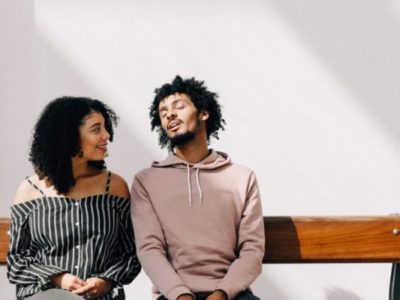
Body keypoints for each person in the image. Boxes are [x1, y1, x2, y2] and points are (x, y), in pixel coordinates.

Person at [131, 76, 265, 300]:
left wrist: (222, 293)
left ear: (204, 113)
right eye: (163, 112)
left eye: (179, 107)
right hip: (174, 296)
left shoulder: (242, 177)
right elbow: (150, 250)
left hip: (230, 294)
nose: (170, 114)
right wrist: (180, 295)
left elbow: (252, 250)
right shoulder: (146, 181)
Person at [7, 97, 141, 300]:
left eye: (105, 128)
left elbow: (131, 254)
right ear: (68, 136)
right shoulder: (29, 190)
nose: (107, 136)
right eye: (96, 129)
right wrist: (58, 278)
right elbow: (16, 262)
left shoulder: (114, 187)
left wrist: (106, 281)